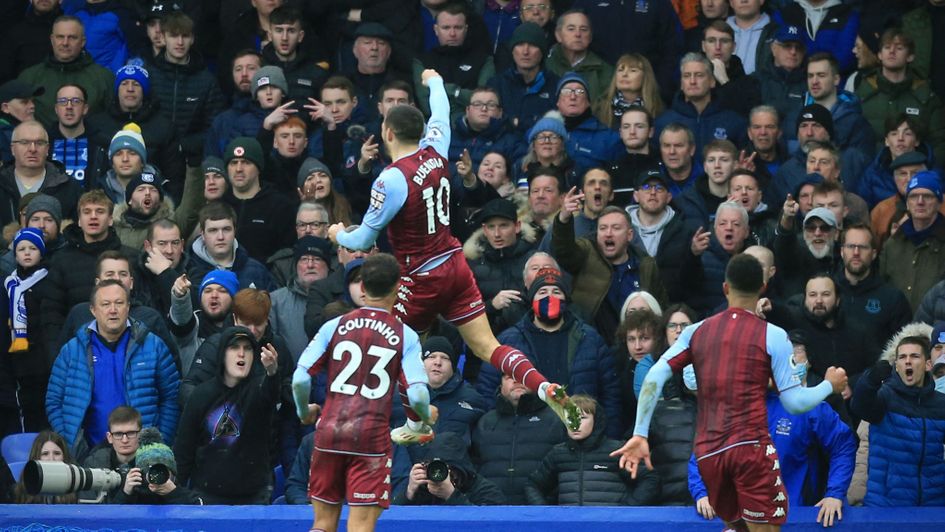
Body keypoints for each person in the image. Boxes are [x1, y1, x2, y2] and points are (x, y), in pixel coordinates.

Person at [330, 69, 581, 435]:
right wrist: (434, 81)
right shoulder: (436, 150)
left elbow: (363, 239)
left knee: (396, 348)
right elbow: (441, 112)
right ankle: (544, 386)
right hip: (455, 264)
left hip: (420, 277)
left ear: (387, 133)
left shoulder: (391, 179)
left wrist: (338, 233)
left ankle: (415, 422)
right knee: (488, 347)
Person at [612, 253, 848, 530]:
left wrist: (640, 432)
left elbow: (654, 376)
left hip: (709, 453)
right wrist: (829, 385)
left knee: (737, 528)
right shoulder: (772, 334)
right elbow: (795, 403)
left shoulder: (696, 331)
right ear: (762, 288)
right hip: (750, 450)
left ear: (725, 288)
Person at [292, 253, 436, 531]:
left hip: (329, 433)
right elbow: (417, 394)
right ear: (397, 287)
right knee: (360, 526)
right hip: (370, 439)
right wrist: (424, 416)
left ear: (362, 287)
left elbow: (300, 378)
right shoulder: (405, 334)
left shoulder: (334, 326)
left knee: (322, 523)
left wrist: (304, 411)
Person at [474, 267, 623, 438]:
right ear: (532, 299)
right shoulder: (509, 340)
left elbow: (611, 395)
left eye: (556, 292)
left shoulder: (590, 339)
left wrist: (608, 438)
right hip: (528, 438)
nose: (549, 297)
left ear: (566, 299)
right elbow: (486, 390)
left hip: (581, 437)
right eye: (542, 292)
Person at [46, 280, 179, 457]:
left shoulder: (154, 346)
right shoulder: (72, 350)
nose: (113, 310)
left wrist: (158, 443)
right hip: (87, 455)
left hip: (143, 455)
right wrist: (69, 442)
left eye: (119, 303)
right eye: (105, 304)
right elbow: (54, 400)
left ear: (128, 307)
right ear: (93, 310)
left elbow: (171, 398)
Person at [174, 326, 281, 505]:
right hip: (207, 496)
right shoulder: (201, 395)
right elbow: (184, 449)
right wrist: (175, 494)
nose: (242, 354)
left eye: (248, 348)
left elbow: (270, 394)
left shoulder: (259, 390)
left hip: (253, 498)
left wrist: (272, 372)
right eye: (234, 347)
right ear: (222, 354)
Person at [850, 334, 945, 506]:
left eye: (914, 356)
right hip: (886, 503)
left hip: (933, 503)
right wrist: (870, 379)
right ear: (897, 366)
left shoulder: (941, 404)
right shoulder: (884, 396)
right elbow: (859, 405)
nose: (907, 361)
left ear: (928, 365)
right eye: (902, 357)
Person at [526, 394, 659, 506]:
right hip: (570, 525)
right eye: (569, 418)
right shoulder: (558, 453)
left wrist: (626, 512)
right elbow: (533, 485)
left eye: (582, 417)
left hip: (610, 524)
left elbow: (650, 479)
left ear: (597, 421)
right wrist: (546, 515)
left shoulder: (616, 451)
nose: (575, 424)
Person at [471, 373, 567, 504]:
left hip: (543, 510)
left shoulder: (555, 419)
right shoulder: (485, 422)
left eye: (522, 374)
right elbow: (473, 469)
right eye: (509, 377)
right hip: (491, 510)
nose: (517, 380)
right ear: (501, 385)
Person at [146, 11, 225, 167]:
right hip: (152, 158)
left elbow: (214, 128)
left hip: (192, 161)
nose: (180, 42)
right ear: (163, 38)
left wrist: (183, 146)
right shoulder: (148, 75)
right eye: (174, 36)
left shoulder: (207, 80)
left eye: (185, 36)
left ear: (192, 39)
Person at [856, 28, 945, 165]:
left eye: (899, 48)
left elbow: (939, 143)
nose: (892, 51)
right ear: (879, 55)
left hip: (913, 172)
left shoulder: (926, 97)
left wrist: (928, 174)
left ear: (910, 57)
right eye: (887, 47)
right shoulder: (862, 94)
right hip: (870, 171)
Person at [17, 15, 114, 128]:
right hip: (40, 138)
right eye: (60, 37)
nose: (65, 43)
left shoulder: (104, 77)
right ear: (52, 39)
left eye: (72, 37)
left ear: (83, 41)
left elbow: (113, 119)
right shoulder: (29, 77)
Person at [0, 228, 53, 432]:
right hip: (18, 360)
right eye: (22, 249)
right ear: (15, 255)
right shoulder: (9, 285)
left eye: (33, 248)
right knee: (27, 410)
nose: (27, 253)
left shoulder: (49, 280)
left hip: (42, 359)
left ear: (41, 252)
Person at [654, 53, 747, 160]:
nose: (692, 81)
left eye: (699, 75)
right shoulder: (663, 123)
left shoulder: (734, 122)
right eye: (687, 76)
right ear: (681, 83)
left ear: (712, 81)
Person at [879, 170, 945, 313]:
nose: (920, 202)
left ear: (939, 202)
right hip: (896, 324)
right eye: (914, 196)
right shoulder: (893, 244)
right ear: (907, 203)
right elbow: (880, 288)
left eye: (927, 196)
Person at [0, 120, 82, 227]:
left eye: (39, 143)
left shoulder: (69, 187)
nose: (32, 149)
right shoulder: (2, 183)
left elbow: (78, 230)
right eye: (24, 142)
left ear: (47, 149)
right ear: (12, 149)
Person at [396, 431, 507, 506]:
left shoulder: (486, 491)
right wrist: (408, 493)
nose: (441, 475)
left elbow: (486, 524)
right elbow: (392, 522)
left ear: (461, 469)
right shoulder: (424, 489)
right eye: (435, 467)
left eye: (447, 469)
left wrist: (451, 495)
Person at [113, 426, 203, 505]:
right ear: (141, 473)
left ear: (173, 474)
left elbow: (200, 510)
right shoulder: (135, 494)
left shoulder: (182, 494)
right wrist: (126, 493)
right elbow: (112, 515)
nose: (157, 475)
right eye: (151, 469)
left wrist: (174, 493)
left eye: (162, 469)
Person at [545, 11, 613, 105]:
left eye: (583, 29)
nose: (577, 34)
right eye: (571, 29)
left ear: (590, 37)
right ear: (558, 35)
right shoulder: (545, 65)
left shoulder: (605, 71)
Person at [48, 83, 105, 188]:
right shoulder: (43, 141)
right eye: (63, 101)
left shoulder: (101, 143)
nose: (69, 107)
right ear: (56, 109)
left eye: (76, 101)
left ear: (85, 108)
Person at [81, 406, 141, 503]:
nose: (125, 440)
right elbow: (90, 510)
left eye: (131, 433)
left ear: (140, 435)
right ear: (109, 437)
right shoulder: (94, 464)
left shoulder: (154, 460)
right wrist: (125, 493)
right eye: (118, 434)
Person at [13, 430, 78, 504]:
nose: (51, 459)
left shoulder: (76, 483)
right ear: (37, 457)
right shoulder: (25, 485)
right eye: (45, 454)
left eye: (57, 453)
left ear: (64, 457)